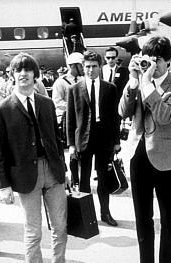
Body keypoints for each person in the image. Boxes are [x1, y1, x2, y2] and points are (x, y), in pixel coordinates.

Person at [0, 52, 80, 263]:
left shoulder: (46, 103)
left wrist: (64, 169)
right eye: (18, 70)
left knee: (60, 226)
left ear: (34, 74)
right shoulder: (2, 109)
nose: (23, 74)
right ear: (12, 76)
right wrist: (3, 184)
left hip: (52, 172)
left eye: (27, 70)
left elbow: (55, 139)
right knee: (33, 231)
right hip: (24, 177)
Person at [118, 36, 171, 263]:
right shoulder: (139, 82)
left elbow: (165, 116)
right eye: (148, 59)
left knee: (168, 218)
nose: (152, 65)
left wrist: (148, 84)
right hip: (139, 156)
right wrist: (133, 83)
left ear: (169, 62)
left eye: (157, 60)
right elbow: (123, 112)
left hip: (167, 158)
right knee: (142, 216)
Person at [66, 50, 121, 227]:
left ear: (100, 67)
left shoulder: (110, 88)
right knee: (84, 180)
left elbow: (114, 117)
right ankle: (85, 215)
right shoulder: (74, 89)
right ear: (83, 68)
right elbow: (70, 119)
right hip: (84, 138)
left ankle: (105, 213)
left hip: (104, 138)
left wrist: (117, 141)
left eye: (94, 66)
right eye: (87, 67)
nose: (91, 70)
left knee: (103, 178)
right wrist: (71, 145)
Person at [52, 52, 84, 188]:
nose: (83, 68)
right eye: (81, 65)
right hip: (67, 120)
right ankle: (74, 178)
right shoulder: (60, 82)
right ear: (73, 66)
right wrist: (74, 108)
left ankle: (81, 176)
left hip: (82, 120)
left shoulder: (84, 80)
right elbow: (57, 102)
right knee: (71, 150)